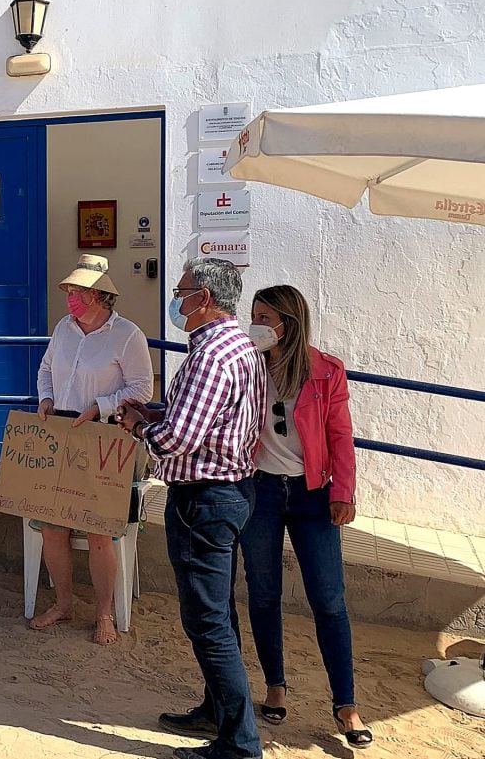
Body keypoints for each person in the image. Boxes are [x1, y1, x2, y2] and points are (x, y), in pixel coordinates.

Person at [116, 258, 266, 759]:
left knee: (207, 619)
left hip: (205, 498)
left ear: (203, 297)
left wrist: (141, 428)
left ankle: (239, 742)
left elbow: (179, 436)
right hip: (228, 492)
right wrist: (155, 414)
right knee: (218, 611)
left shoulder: (211, 356)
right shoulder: (239, 347)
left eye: (181, 292)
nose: (176, 301)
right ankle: (219, 709)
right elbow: (209, 419)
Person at [243, 285, 372, 749]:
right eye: (252, 314)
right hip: (259, 489)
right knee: (263, 593)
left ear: (288, 322)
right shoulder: (248, 364)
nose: (255, 323)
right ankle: (275, 685)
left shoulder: (325, 372)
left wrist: (344, 492)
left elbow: (341, 437)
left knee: (329, 600)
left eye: (264, 316)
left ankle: (345, 705)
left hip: (312, 495)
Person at [30, 254, 153, 646]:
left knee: (100, 531)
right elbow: (46, 369)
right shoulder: (63, 329)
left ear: (99, 296)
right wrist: (46, 398)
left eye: (77, 291)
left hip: (103, 434)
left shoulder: (128, 335)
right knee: (52, 526)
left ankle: (103, 612)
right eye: (69, 291)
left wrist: (101, 405)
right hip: (62, 430)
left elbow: (141, 390)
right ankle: (63, 602)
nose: (70, 298)